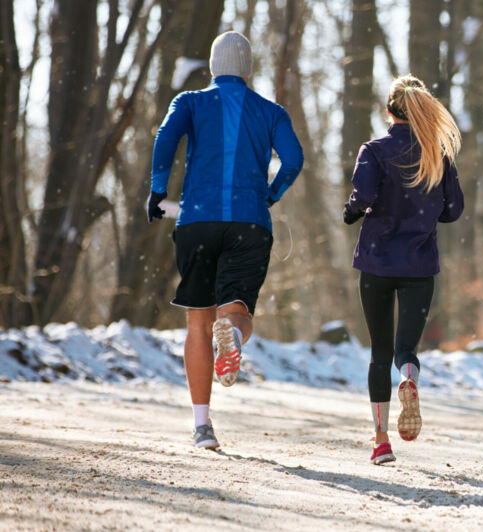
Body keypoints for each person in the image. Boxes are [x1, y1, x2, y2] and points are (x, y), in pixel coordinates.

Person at [146, 31, 303, 450]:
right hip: (249, 224)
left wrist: (158, 190)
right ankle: (232, 332)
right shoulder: (271, 112)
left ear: (214, 66)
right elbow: (294, 160)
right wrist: (270, 193)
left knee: (198, 322)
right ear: (248, 69)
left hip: (197, 222)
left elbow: (165, 139)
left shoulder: (191, 102)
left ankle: (202, 426)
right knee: (236, 311)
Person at [343, 75, 463, 465]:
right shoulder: (438, 155)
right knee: (404, 349)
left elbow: (365, 196)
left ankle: (380, 443)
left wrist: (352, 211)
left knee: (378, 352)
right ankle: (409, 377)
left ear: (389, 110)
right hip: (419, 266)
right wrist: (424, 208)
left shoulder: (374, 151)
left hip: (377, 262)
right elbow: (453, 210)